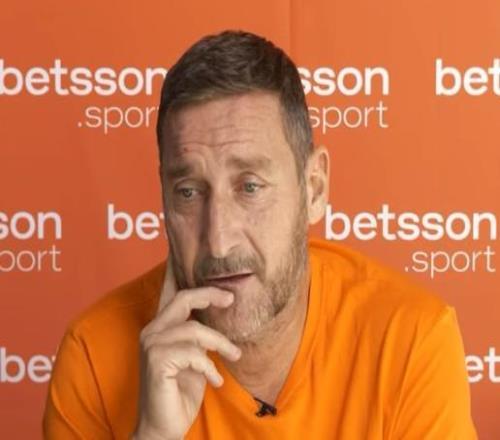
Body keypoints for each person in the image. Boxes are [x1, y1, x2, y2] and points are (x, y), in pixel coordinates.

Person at [43, 30, 477, 439]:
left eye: (249, 187)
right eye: (189, 192)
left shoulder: (410, 339)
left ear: (314, 189)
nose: (218, 241)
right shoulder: (94, 354)